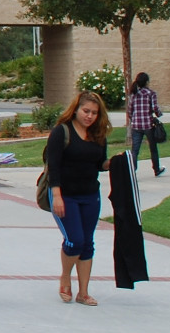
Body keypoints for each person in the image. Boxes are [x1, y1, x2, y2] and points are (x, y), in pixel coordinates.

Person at [46, 91, 114, 307]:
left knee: (87, 244)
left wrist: (111, 163)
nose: (90, 116)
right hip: (65, 195)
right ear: (75, 109)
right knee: (75, 240)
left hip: (90, 195)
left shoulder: (98, 135)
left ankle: (83, 292)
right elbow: (53, 167)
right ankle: (65, 278)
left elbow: (99, 164)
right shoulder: (61, 132)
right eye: (86, 111)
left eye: (94, 113)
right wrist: (56, 196)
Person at [126, 73, 164, 177]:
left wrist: (133, 118)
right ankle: (156, 169)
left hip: (136, 126)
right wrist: (159, 114)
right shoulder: (151, 93)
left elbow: (130, 111)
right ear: (147, 82)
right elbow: (155, 108)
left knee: (135, 150)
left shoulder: (133, 94)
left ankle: (133, 171)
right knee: (153, 148)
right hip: (148, 125)